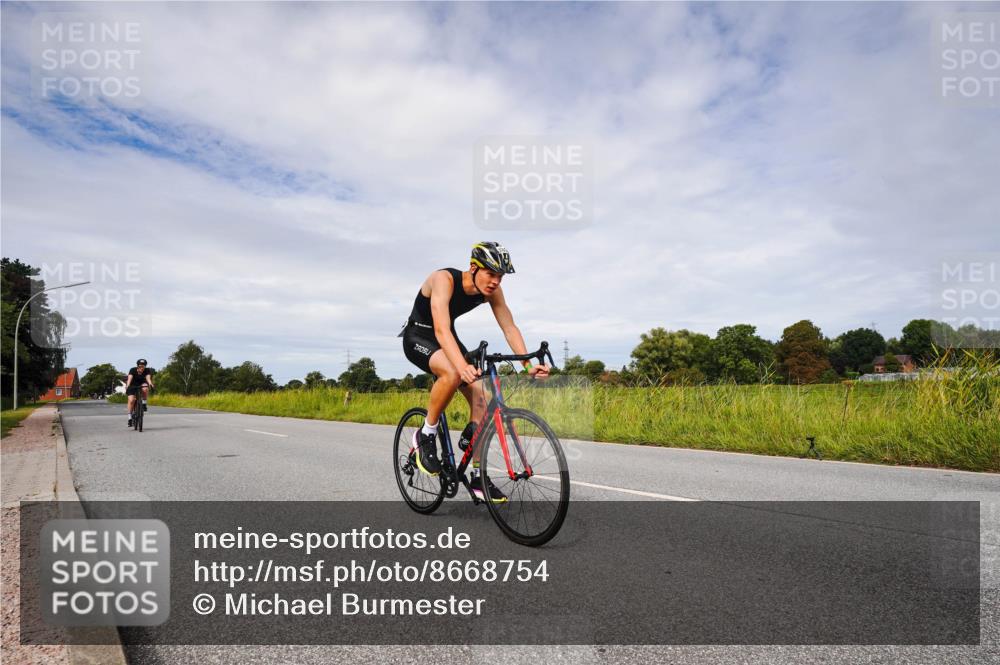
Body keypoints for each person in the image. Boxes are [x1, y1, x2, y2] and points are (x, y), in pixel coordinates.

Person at [399, 242, 550, 503]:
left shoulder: (493, 291)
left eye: (500, 276)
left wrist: (527, 364)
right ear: (473, 267)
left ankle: (478, 476)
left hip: (446, 338)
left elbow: (509, 327)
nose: (495, 281)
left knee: (481, 396)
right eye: (490, 274)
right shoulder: (443, 279)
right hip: (419, 335)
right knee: (453, 373)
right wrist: (461, 366)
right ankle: (425, 433)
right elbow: (441, 330)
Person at [125, 358, 155, 427]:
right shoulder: (132, 370)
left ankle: (144, 403)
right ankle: (130, 418)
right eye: (140, 365)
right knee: (131, 400)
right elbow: (129, 379)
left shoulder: (147, 370)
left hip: (142, 384)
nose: (142, 366)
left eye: (143, 365)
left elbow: (148, 379)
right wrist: (127, 386)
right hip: (132, 385)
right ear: (137, 365)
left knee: (145, 387)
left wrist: (151, 384)